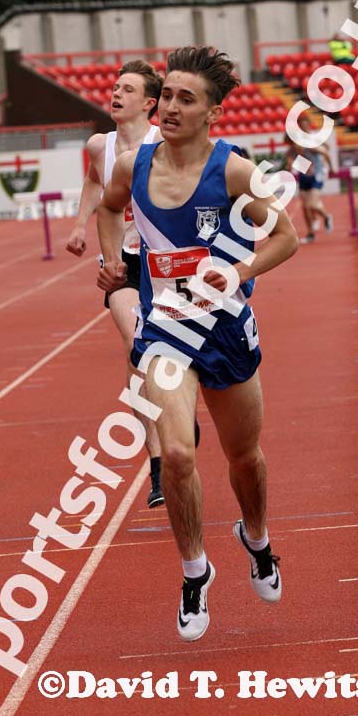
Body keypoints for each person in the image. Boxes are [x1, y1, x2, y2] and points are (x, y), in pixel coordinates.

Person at [97, 46, 299, 641]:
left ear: (213, 113)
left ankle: (256, 538)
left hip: (226, 330)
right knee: (178, 454)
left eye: (188, 99)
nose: (171, 108)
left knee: (244, 458)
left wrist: (236, 273)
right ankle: (195, 571)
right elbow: (110, 210)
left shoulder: (235, 170)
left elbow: (285, 238)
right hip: (164, 330)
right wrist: (117, 264)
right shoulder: (131, 165)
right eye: (168, 97)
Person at [66, 59, 166, 508]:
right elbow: (93, 182)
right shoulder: (98, 145)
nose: (116, 93)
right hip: (123, 261)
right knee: (134, 344)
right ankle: (159, 463)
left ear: (149, 103)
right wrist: (80, 225)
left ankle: (177, 409)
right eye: (114, 86)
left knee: (170, 353)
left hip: (165, 259)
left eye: (127, 89)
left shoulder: (162, 143)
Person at [285, 118, 334, 244]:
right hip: (304, 178)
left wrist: (331, 169)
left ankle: (326, 216)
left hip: (316, 176)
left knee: (312, 205)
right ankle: (311, 233)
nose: (294, 146)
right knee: (305, 208)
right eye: (291, 144)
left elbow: (326, 153)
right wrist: (290, 164)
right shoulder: (291, 152)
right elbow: (290, 167)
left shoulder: (309, 146)